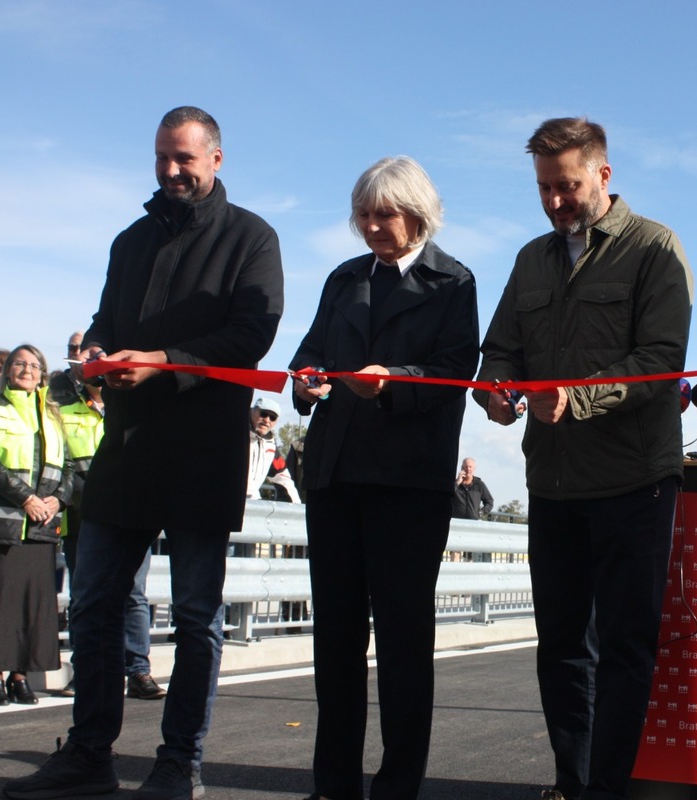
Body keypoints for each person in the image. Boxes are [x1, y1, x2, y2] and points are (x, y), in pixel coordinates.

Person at [5, 105, 284, 800]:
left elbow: (251, 337)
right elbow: (106, 317)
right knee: (93, 605)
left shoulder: (252, 237)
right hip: (126, 450)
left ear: (216, 158)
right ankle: (89, 753)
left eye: (184, 158)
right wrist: (100, 349)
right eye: (162, 156)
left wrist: (160, 362)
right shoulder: (130, 240)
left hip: (202, 451)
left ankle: (178, 764)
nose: (170, 170)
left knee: (195, 619)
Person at [473, 117, 694, 800]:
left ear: (603, 174)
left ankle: (610, 789)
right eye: (544, 188)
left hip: (635, 482)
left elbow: (661, 360)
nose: (555, 201)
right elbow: (499, 351)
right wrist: (495, 392)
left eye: (566, 186)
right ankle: (572, 783)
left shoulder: (654, 247)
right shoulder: (530, 260)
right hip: (554, 483)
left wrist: (579, 397)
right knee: (563, 647)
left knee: (626, 647)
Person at [290, 155, 479, 800]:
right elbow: (311, 350)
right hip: (336, 474)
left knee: (403, 644)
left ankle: (398, 786)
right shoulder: (344, 278)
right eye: (363, 216)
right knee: (336, 641)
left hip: (408, 483)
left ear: (418, 215)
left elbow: (454, 373)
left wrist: (394, 383)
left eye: (384, 215)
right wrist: (305, 381)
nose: (371, 226)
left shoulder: (453, 282)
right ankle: (333, 784)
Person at [0, 344, 72, 706]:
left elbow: (68, 467)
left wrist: (60, 499)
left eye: (34, 365)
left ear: (42, 374)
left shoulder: (53, 415)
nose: (27, 369)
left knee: (29, 606)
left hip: (41, 527)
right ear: (8, 370)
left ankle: (20, 675)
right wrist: (26, 499)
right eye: (20, 363)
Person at [56, 374, 166, 701]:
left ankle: (138, 670)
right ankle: (86, 672)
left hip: (131, 507)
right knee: (85, 596)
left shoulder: (137, 402)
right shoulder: (63, 410)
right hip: (84, 513)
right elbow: (59, 461)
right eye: (84, 355)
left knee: (134, 593)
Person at [246, 397, 299, 503]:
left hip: (249, 503)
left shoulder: (270, 446)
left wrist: (295, 504)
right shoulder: (237, 434)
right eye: (263, 414)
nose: (267, 420)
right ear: (253, 411)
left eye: (272, 418)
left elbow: (282, 476)